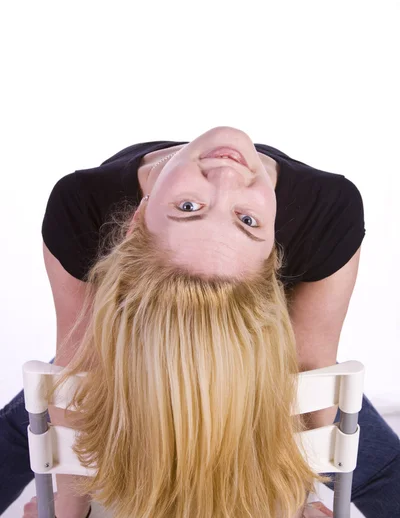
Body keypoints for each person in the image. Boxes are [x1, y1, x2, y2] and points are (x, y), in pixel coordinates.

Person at [0, 126, 396, 516]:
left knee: (374, 465)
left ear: (277, 257)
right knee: (30, 426)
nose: (225, 178)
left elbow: (311, 368)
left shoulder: (327, 210)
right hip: (135, 352)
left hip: (263, 358)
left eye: (193, 208)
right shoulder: (80, 204)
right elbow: (79, 363)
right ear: (134, 219)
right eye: (188, 208)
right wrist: (69, 505)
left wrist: (297, 499)